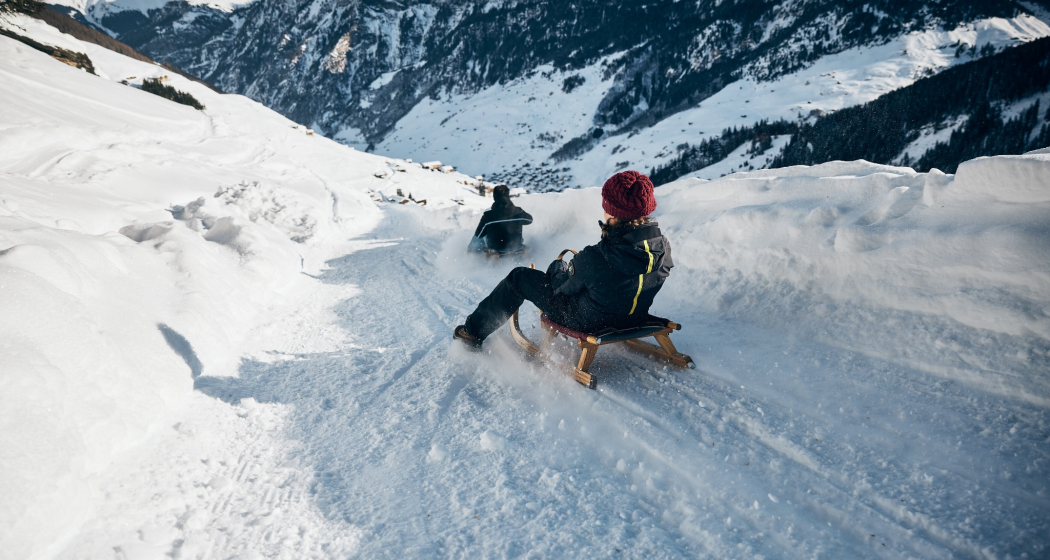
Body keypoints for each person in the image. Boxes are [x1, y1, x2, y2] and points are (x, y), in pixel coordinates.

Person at [454, 170, 672, 348]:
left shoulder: (596, 257)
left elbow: (560, 288)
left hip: (586, 320)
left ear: (613, 213)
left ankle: (472, 333)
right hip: (635, 316)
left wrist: (559, 267)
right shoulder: (663, 247)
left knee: (519, 277)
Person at [469, 185, 533, 253]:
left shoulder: (488, 216)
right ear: (508, 195)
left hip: (496, 248)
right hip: (516, 246)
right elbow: (529, 220)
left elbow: (479, 234)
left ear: (494, 197)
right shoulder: (518, 211)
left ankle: (470, 255)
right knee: (515, 229)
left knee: (478, 237)